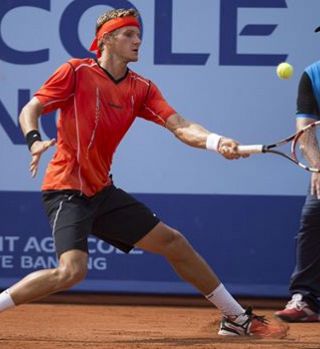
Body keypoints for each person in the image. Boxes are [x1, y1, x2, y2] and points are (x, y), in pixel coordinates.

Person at [0, 8, 286, 337]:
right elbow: (31, 108)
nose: (138, 41)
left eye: (139, 35)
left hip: (102, 192)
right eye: (129, 35)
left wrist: (216, 141)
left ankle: (236, 318)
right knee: (71, 272)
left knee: (173, 242)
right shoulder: (76, 72)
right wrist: (33, 140)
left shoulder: (142, 89)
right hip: (67, 188)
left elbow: (180, 126)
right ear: (106, 39)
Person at [275, 27, 320, 323]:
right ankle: (305, 299)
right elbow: (305, 132)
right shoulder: (312, 75)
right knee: (313, 216)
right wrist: (318, 167)